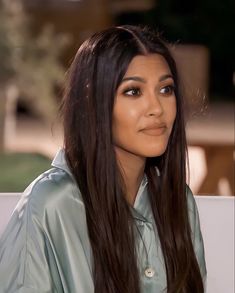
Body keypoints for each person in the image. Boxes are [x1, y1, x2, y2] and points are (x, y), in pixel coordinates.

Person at [0, 25, 206, 293]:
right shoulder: (51, 204)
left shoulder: (178, 201)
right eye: (133, 91)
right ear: (94, 100)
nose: (157, 108)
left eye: (166, 90)